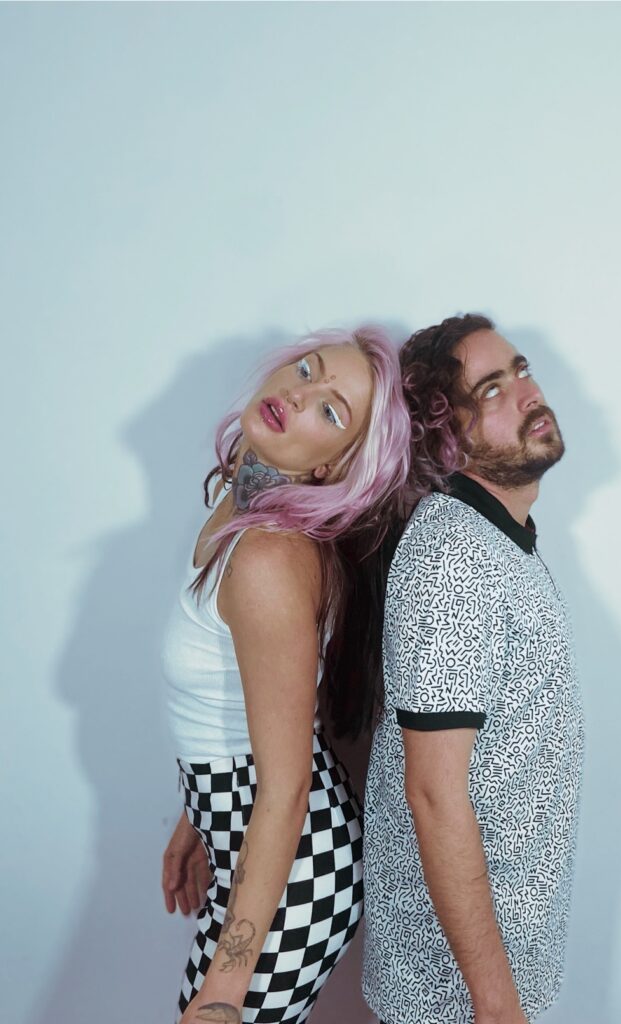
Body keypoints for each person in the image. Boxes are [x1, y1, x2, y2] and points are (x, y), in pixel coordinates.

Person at [160, 326, 410, 1024]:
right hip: (251, 834)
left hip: (296, 873)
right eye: (307, 370)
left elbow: (286, 786)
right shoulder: (243, 495)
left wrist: (223, 993)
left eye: (331, 410)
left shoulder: (269, 558)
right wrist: (196, 821)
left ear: (332, 466)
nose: (299, 395)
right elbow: (246, 699)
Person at [362, 314, 586, 1024]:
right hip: (451, 991)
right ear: (447, 438)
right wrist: (493, 1001)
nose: (528, 393)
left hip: (499, 965)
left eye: (520, 370)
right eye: (491, 389)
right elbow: (432, 793)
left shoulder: (496, 538)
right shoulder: (452, 560)